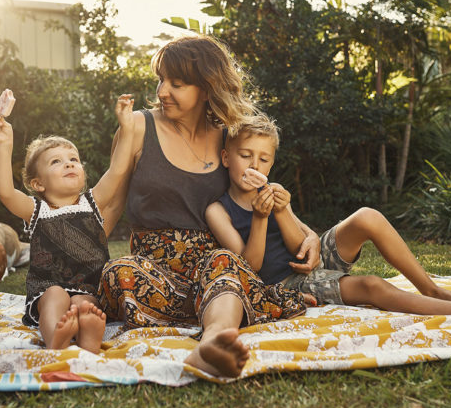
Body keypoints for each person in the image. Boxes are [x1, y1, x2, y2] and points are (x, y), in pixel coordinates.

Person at [96, 36, 318, 378]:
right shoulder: (137, 127)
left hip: (214, 271)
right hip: (154, 276)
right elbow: (110, 206)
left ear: (205, 88)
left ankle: (212, 342)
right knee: (118, 270)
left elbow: (260, 191)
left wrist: (309, 235)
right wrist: (79, 271)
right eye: (161, 80)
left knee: (226, 261)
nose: (162, 92)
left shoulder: (230, 135)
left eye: (177, 83)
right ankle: (234, 309)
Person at [205, 112, 451, 315]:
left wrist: (289, 216)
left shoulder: (273, 193)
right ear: (225, 157)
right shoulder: (218, 210)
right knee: (372, 286)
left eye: (263, 159)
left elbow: (302, 242)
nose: (254, 165)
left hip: (309, 261)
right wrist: (262, 219)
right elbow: (249, 269)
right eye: (245, 155)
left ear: (272, 163)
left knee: (368, 215)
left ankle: (431, 288)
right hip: (285, 281)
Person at [0, 94, 136, 354]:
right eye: (56, 161)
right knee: (55, 295)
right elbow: (5, 192)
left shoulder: (93, 202)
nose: (68, 163)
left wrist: (126, 127)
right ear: (38, 184)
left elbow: (118, 169)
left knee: (84, 303)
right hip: (47, 289)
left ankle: (89, 338)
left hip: (90, 287)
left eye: (73, 159)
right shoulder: (37, 210)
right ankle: (56, 337)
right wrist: (5, 145)